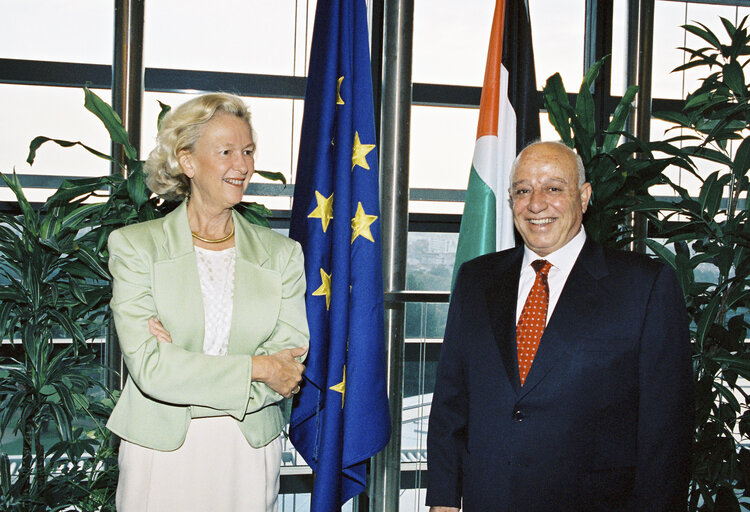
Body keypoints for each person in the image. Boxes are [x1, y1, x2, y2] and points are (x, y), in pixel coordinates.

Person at [426, 141, 693, 511]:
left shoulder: (644, 286)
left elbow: (665, 432)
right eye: (523, 190)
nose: (536, 204)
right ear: (509, 199)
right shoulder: (477, 279)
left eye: (553, 188)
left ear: (584, 197)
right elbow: (450, 403)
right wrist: (443, 500)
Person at [106, 93, 309, 512]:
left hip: (247, 451)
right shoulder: (135, 247)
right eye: (227, 151)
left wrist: (182, 366)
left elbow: (288, 370)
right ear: (188, 162)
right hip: (160, 452)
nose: (243, 165)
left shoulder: (283, 254)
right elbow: (151, 371)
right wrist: (258, 367)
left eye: (248, 151)